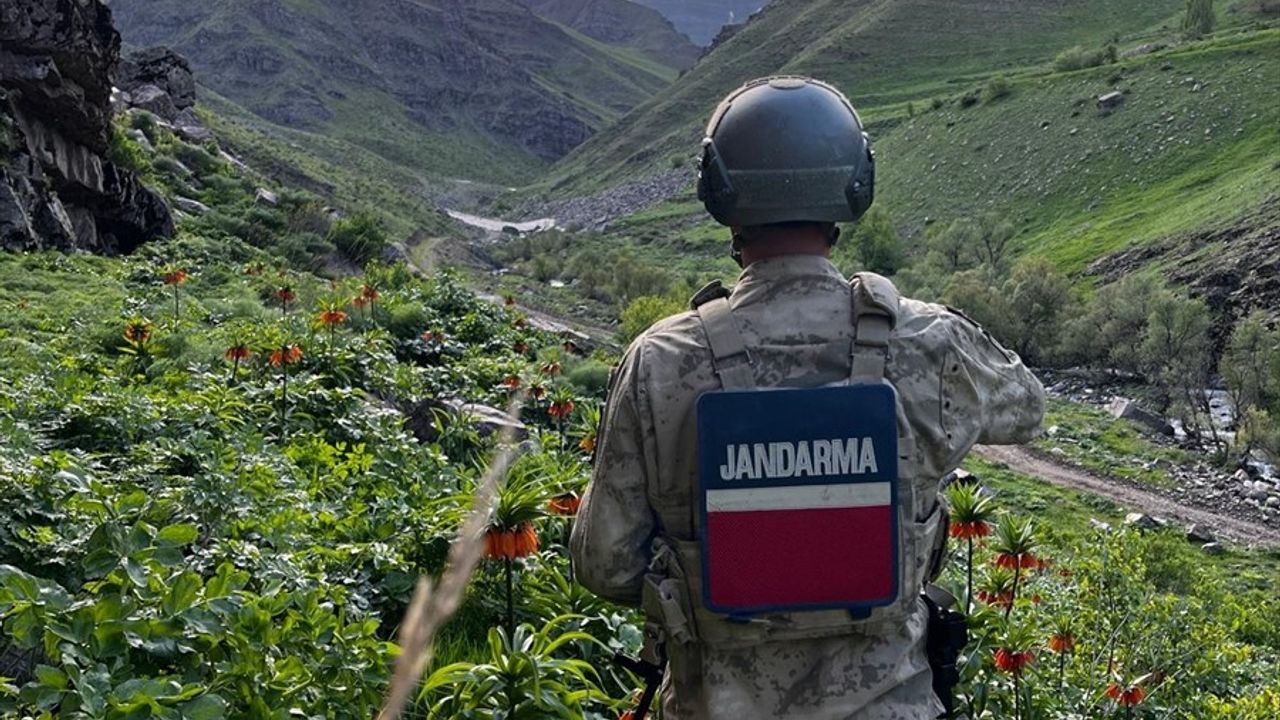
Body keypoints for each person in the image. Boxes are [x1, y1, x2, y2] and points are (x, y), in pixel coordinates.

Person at [570, 76, 1045, 720]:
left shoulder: (659, 361)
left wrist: (710, 569)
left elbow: (606, 566)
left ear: (720, 193)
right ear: (852, 188)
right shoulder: (930, 342)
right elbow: (1027, 409)